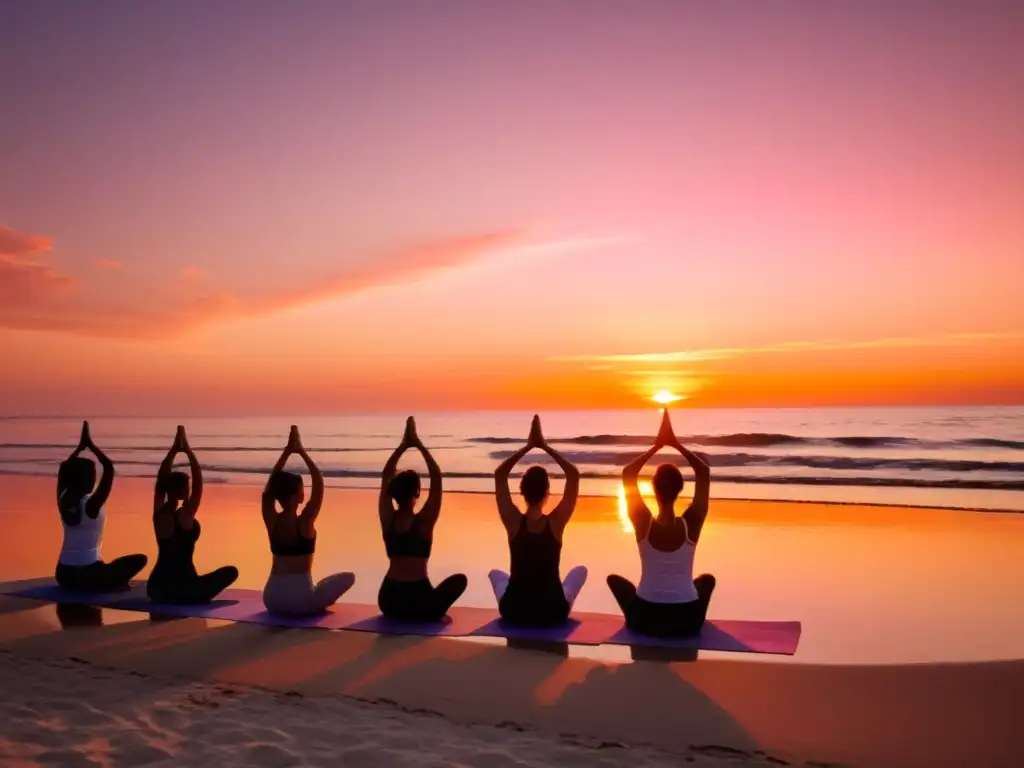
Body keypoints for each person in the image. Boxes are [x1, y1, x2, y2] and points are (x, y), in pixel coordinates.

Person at [607, 409, 715, 637]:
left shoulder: (642, 522)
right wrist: (675, 444)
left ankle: (637, 613)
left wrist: (657, 446)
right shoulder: (692, 523)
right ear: (680, 489)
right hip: (687, 622)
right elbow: (703, 472)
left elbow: (628, 473)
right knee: (706, 582)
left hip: (646, 619)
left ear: (653, 488)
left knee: (615, 582)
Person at [489, 415, 588, 626]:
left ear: (522, 492)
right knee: (580, 572)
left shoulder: (514, 522)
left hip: (515, 611)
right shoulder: (555, 523)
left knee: (495, 575)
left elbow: (500, 474)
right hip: (552, 612)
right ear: (547, 493)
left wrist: (528, 447)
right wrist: (545, 446)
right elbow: (573, 475)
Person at [377, 417, 467, 622]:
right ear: (417, 492)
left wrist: (403, 445)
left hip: (389, 599)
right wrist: (418, 444)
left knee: (443, 591)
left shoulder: (387, 519)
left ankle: (425, 611)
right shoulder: (424, 522)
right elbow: (436, 477)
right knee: (460, 581)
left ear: (394, 493)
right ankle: (430, 613)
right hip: (418, 598)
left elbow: (385, 475)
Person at [261, 426, 355, 615]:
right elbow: (319, 483)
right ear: (299, 496)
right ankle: (315, 590)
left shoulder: (272, 520)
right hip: (301, 601)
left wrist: (287, 452)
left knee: (325, 583)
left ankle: (316, 588)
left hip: (271, 598)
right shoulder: (305, 522)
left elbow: (268, 492)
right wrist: (302, 452)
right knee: (348, 578)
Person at [147, 426, 239, 604]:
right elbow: (199, 483)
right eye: (186, 487)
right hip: (185, 589)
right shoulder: (185, 515)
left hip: (156, 588)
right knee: (231, 572)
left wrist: (174, 450)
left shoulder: (159, 514)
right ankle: (193, 596)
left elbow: (160, 482)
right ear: (183, 490)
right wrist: (188, 452)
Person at [55, 421, 148, 592]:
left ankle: (107, 580)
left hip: (63, 574)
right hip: (88, 575)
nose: (94, 480)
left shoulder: (64, 499)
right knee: (140, 560)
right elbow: (109, 469)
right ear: (86, 479)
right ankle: (110, 585)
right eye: (92, 476)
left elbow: (63, 473)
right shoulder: (90, 505)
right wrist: (91, 445)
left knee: (111, 566)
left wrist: (78, 450)